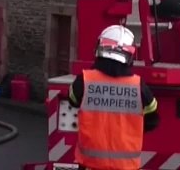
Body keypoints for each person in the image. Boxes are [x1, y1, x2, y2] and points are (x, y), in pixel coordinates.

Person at [65, 25, 159, 170]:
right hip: (126, 167)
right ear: (130, 55)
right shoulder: (138, 86)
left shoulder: (85, 80)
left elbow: (72, 100)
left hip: (90, 165)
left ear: (100, 48)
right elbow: (153, 120)